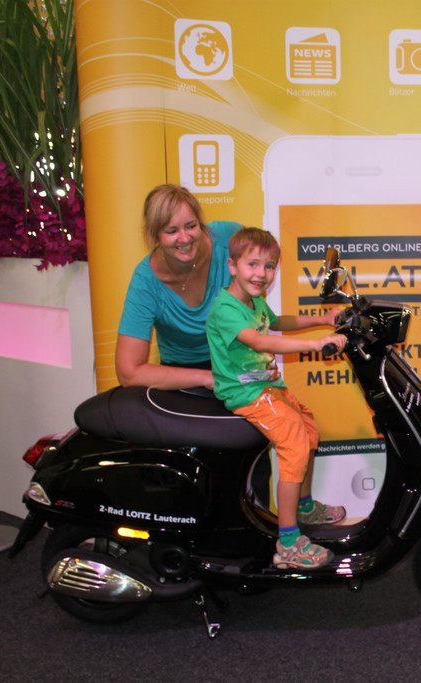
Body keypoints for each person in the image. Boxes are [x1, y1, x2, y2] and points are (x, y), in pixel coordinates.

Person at [206, 227, 347, 570]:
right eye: (252, 264)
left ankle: (304, 505)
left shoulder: (254, 301)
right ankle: (287, 543)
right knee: (295, 443)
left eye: (269, 267)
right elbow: (260, 341)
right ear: (232, 266)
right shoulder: (225, 308)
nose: (261, 274)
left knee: (309, 429)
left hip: (267, 386)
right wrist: (315, 344)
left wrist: (322, 319)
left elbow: (278, 321)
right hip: (246, 392)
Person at [116, 184, 241, 389]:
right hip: (181, 376)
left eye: (191, 226)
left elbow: (267, 258)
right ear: (156, 235)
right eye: (172, 231)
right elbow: (128, 372)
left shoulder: (229, 238)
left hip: (237, 362)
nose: (184, 238)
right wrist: (208, 378)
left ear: (201, 223)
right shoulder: (146, 281)